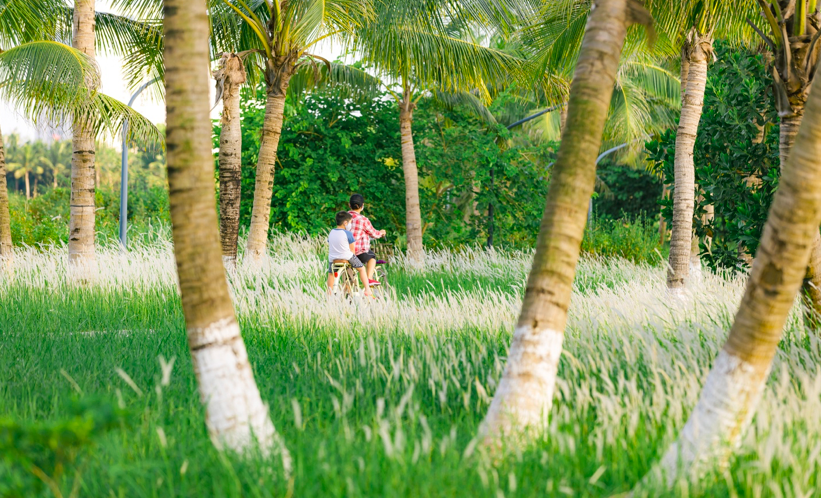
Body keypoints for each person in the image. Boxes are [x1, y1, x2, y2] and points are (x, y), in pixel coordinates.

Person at [327, 211, 372, 297]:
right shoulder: (348, 233)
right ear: (345, 223)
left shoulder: (331, 232)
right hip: (346, 257)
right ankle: (367, 289)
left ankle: (329, 292)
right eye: (350, 222)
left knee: (331, 273)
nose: (350, 225)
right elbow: (352, 250)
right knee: (362, 269)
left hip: (333, 259)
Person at [348, 193, 386, 285]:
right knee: (372, 256)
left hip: (343, 251)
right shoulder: (363, 220)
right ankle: (369, 278)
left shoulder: (343, 217)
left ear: (349, 205)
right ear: (362, 206)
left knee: (349, 274)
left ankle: (348, 288)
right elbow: (374, 233)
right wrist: (381, 233)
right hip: (357, 252)